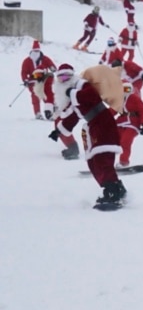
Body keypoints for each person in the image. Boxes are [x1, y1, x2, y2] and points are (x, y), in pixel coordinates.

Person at [53, 63, 127, 208]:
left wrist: (72, 94)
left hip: (103, 124)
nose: (64, 79)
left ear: (72, 76)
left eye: (66, 75)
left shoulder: (81, 86)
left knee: (102, 159)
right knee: (93, 162)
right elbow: (74, 115)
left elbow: (91, 96)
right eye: (60, 77)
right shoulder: (73, 93)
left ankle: (112, 192)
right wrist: (59, 130)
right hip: (94, 125)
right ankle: (115, 187)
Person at [20, 40, 57, 120]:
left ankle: (50, 112)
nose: (36, 52)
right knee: (35, 95)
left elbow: (52, 65)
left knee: (48, 95)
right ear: (32, 51)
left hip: (45, 80)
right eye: (35, 51)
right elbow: (24, 72)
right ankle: (37, 113)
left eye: (38, 51)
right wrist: (25, 80)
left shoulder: (45, 59)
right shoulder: (27, 61)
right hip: (33, 81)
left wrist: (52, 68)